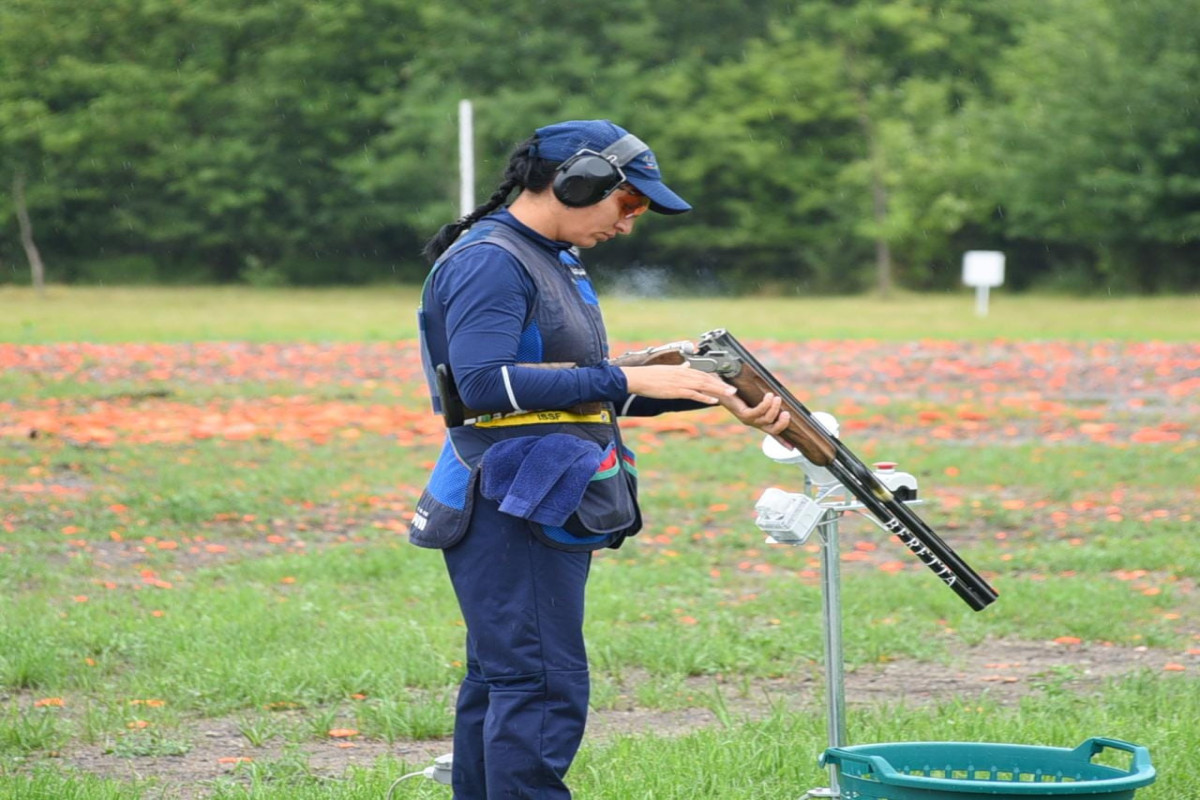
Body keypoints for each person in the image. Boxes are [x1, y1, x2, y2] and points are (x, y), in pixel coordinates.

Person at [410, 119, 789, 799]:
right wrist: (626, 377)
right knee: (541, 687)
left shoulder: (552, 256)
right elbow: (483, 386)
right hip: (509, 500)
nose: (631, 223)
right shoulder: (492, 261)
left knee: (507, 682)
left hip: (537, 490)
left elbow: (571, 392)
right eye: (630, 203)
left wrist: (702, 388)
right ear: (576, 181)